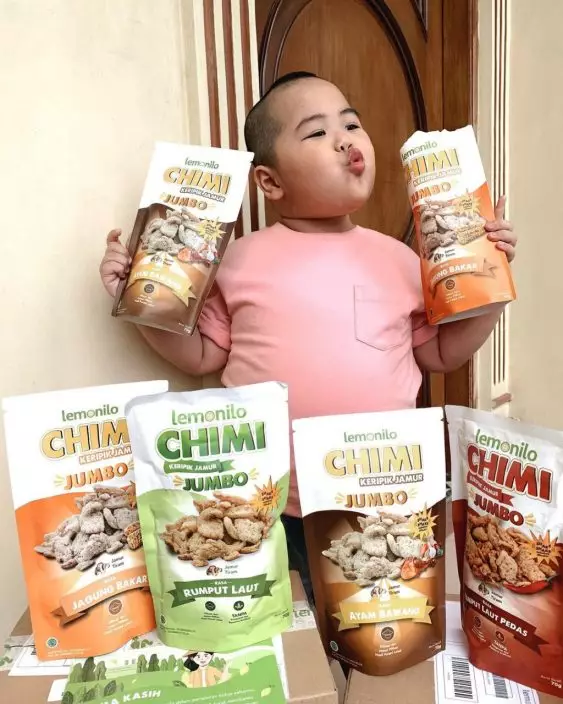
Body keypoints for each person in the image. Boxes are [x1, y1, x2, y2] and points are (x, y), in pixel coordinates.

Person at [100, 71, 517, 601]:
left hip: (382, 496)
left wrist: (492, 288)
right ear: (270, 182)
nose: (345, 139)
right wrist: (141, 305)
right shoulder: (238, 261)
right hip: (271, 502)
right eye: (317, 132)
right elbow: (201, 355)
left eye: (351, 124)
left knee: (379, 622)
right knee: (291, 630)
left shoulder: (400, 259)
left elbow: (440, 353)